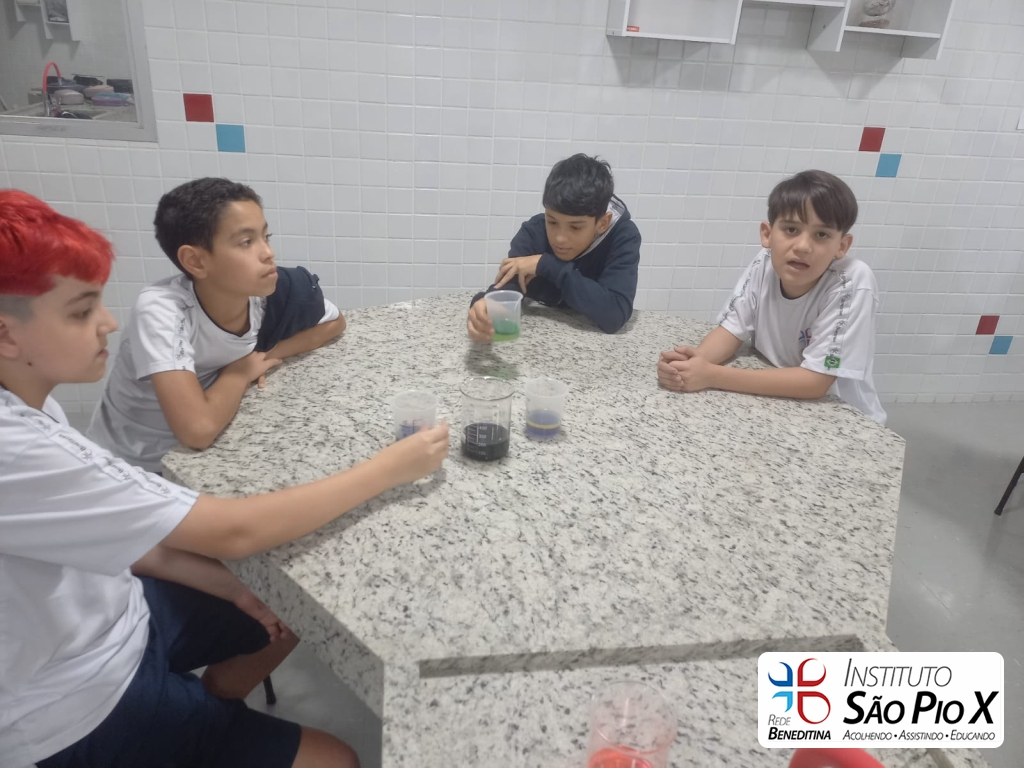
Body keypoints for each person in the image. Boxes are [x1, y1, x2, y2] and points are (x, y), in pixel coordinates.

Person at [0, 189, 449, 768]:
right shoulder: (19, 450)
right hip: (72, 706)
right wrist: (390, 468)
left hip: (121, 614)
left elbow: (131, 544)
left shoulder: (32, 406)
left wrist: (237, 588)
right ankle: (198, 726)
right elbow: (234, 528)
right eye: (82, 311)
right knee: (338, 759)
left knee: (293, 599)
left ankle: (213, 710)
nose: (108, 322)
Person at [87, 177, 347, 473]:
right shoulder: (162, 310)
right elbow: (198, 430)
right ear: (195, 261)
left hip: (208, 461)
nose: (268, 252)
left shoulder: (265, 293)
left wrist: (264, 356)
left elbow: (334, 323)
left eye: (266, 236)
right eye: (246, 242)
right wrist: (240, 372)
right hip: (127, 466)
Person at [657, 170, 886, 424]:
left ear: (842, 246)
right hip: (780, 406)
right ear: (767, 234)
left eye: (822, 235)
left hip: (843, 419)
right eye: (791, 229)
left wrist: (711, 375)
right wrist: (692, 364)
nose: (802, 247)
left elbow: (816, 382)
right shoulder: (764, 262)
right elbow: (732, 330)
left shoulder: (852, 281)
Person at [466, 153, 641, 339]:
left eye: (575, 227)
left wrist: (547, 265)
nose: (560, 238)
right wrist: (485, 305)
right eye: (552, 221)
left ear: (602, 223)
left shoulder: (623, 237)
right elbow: (510, 285)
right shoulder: (534, 231)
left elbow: (615, 315)